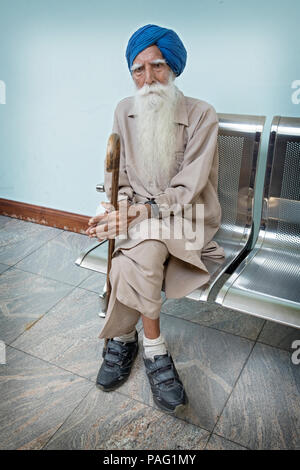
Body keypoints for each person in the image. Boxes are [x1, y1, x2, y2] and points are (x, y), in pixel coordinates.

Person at [86, 24, 225, 414]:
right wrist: (113, 213)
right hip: (140, 217)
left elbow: (189, 188)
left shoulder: (202, 114)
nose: (148, 80)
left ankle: (125, 340)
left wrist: (138, 214)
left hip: (186, 216)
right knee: (142, 252)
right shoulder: (122, 110)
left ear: (174, 67)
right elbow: (119, 180)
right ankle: (153, 350)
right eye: (138, 70)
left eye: (158, 66)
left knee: (136, 252)